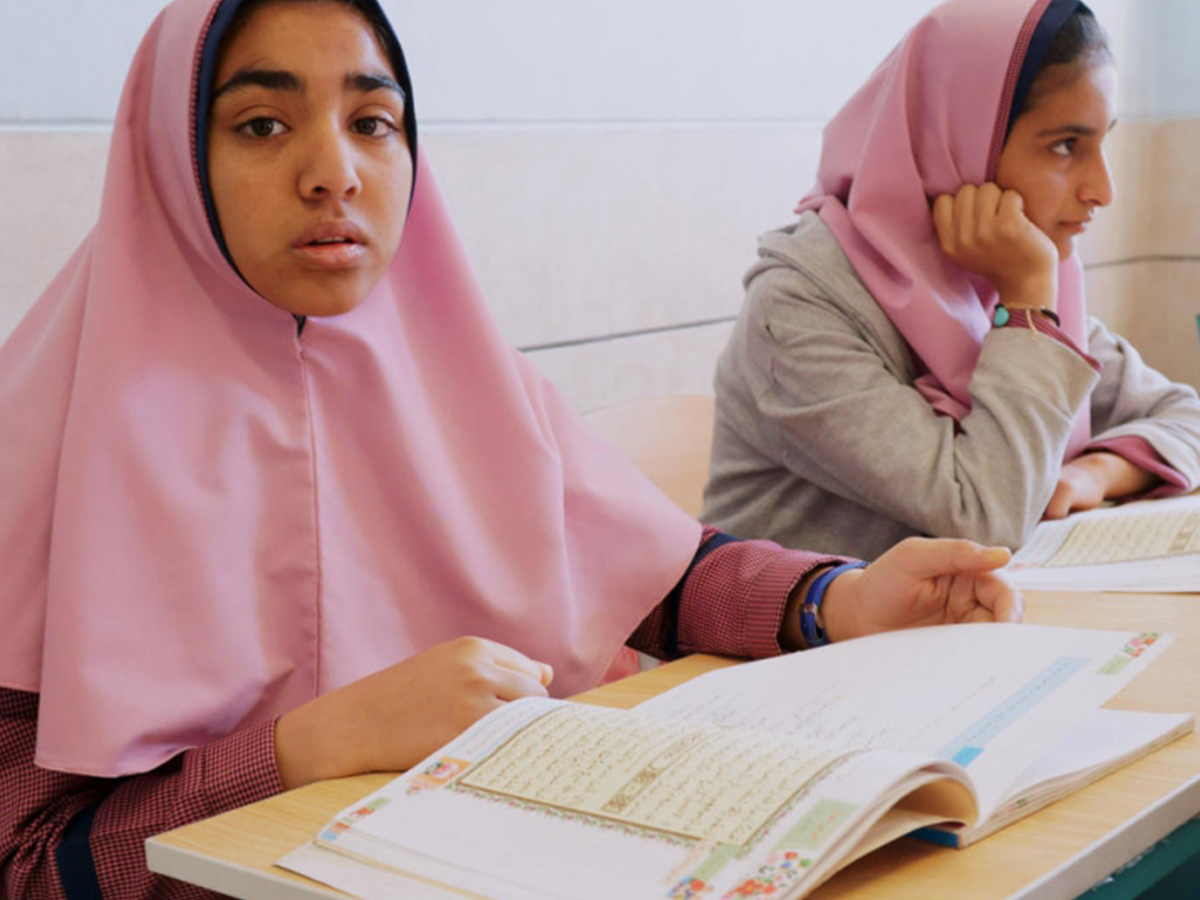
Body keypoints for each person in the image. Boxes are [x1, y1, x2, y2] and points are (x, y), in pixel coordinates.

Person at [0, 0, 1021, 896]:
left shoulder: (459, 371)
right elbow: (29, 865)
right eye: (262, 124)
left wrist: (839, 598)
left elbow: (652, 574)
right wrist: (307, 749)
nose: (335, 173)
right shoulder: (45, 445)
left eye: (373, 123)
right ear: (170, 158)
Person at [702, 0, 1200, 560]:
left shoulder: (985, 277)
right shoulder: (797, 308)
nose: (1102, 189)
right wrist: (1028, 309)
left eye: (1101, 143)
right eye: (1065, 146)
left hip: (948, 635)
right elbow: (987, 514)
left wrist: (1097, 475)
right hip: (791, 649)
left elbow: (1184, 413)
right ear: (959, 139)